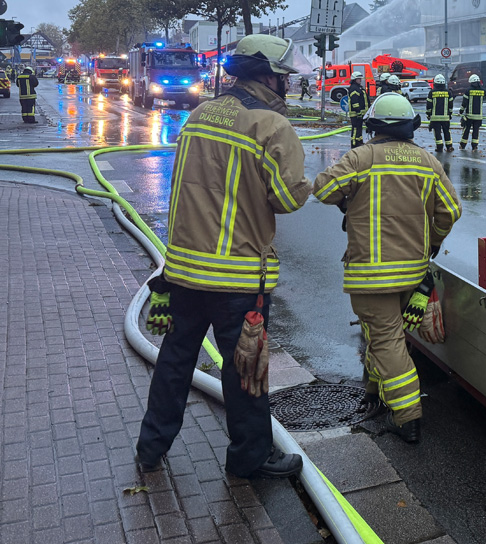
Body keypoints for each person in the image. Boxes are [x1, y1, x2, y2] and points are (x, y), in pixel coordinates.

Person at [136, 34, 311, 479]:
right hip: (238, 276)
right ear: (267, 74)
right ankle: (249, 459)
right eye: (283, 77)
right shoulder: (271, 125)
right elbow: (288, 198)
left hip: (184, 270)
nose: (286, 86)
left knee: (175, 361)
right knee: (245, 371)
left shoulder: (199, 114)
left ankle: (150, 448)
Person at [313, 93, 461, 444]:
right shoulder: (427, 161)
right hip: (412, 273)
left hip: (371, 275)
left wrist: (348, 197)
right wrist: (433, 242)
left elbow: (323, 189)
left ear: (372, 125)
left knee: (385, 338)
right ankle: (375, 391)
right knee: (385, 336)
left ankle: (408, 417)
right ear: (412, 126)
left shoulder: (361, 158)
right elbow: (450, 211)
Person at [427, 74, 454, 153]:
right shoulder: (448, 92)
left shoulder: (432, 93)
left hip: (435, 118)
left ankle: (439, 147)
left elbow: (429, 105)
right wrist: (450, 114)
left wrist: (428, 114)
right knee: (447, 131)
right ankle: (449, 146)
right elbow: (450, 105)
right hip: (445, 117)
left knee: (437, 132)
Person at [459, 73, 484, 150]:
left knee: (466, 130)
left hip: (469, 116)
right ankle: (475, 146)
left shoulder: (468, 91)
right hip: (478, 116)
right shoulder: (482, 90)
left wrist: (461, 111)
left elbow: (464, 102)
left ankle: (463, 145)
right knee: (476, 131)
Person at [347, 70, 369, 148]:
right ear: (354, 79)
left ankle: (359, 141)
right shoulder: (354, 88)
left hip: (360, 113)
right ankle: (354, 143)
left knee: (359, 128)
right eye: (359, 79)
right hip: (356, 113)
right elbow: (355, 102)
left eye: (360, 78)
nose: (360, 80)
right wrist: (358, 112)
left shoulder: (358, 87)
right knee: (356, 128)